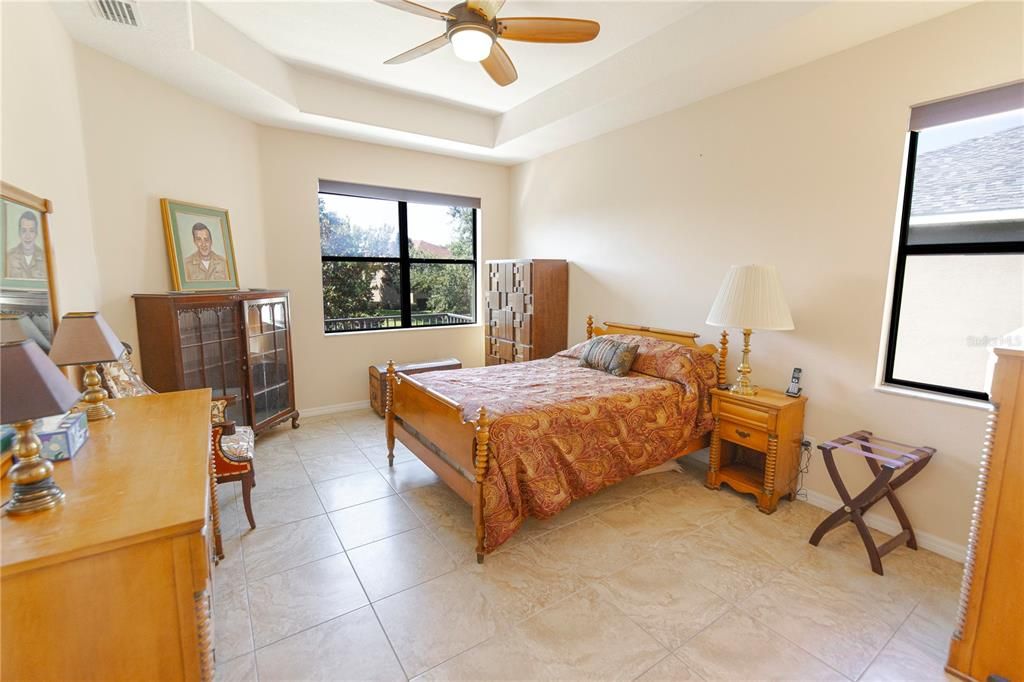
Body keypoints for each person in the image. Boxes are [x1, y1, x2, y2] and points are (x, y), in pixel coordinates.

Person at [5, 210, 47, 280]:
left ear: (36, 233)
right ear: (19, 233)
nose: (28, 236)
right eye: (24, 231)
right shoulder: (9, 257)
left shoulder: (45, 258)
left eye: (31, 231)